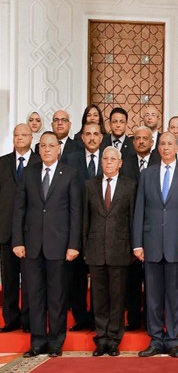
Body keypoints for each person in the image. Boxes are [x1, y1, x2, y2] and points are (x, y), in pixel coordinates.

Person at [13, 132, 82, 357]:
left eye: (51, 146)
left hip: (59, 246)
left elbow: (75, 212)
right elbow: (19, 208)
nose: (47, 149)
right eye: (43, 146)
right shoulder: (29, 173)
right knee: (34, 295)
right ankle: (37, 341)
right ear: (39, 148)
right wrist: (18, 241)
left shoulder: (70, 174)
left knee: (57, 296)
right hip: (32, 245)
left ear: (58, 149)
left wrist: (73, 244)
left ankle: (55, 342)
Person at [133, 132, 178, 358]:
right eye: (162, 144)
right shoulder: (147, 174)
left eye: (170, 143)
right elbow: (139, 209)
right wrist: (137, 243)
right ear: (157, 148)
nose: (166, 147)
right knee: (152, 296)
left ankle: (173, 340)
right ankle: (156, 339)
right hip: (151, 244)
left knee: (175, 296)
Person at [83, 146, 136, 357]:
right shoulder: (90, 185)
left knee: (117, 297)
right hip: (95, 249)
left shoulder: (129, 185)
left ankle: (114, 339)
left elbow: (132, 219)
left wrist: (133, 247)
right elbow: (85, 219)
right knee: (99, 297)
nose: (108, 162)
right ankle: (101, 338)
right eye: (105, 158)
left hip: (120, 250)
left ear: (120, 163)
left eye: (113, 159)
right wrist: (84, 246)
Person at [64, 122, 106, 331]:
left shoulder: (109, 158)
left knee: (100, 277)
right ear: (82, 137)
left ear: (101, 137)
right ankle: (81, 318)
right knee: (77, 276)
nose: (91, 137)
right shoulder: (71, 159)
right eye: (87, 134)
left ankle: (98, 319)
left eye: (95, 134)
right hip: (77, 225)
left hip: (101, 227)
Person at [120, 126, 160, 331]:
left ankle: (154, 320)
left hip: (155, 228)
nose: (142, 141)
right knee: (133, 278)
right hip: (130, 227)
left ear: (152, 142)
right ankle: (134, 318)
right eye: (137, 138)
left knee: (154, 280)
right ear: (133, 142)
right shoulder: (124, 163)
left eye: (146, 138)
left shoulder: (160, 162)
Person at [0, 124, 39, 333]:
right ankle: (11, 319)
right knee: (9, 279)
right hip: (6, 230)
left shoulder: (40, 162)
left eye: (24, 134)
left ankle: (28, 320)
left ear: (32, 138)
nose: (20, 138)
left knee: (31, 279)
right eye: (17, 134)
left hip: (31, 231)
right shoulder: (2, 162)